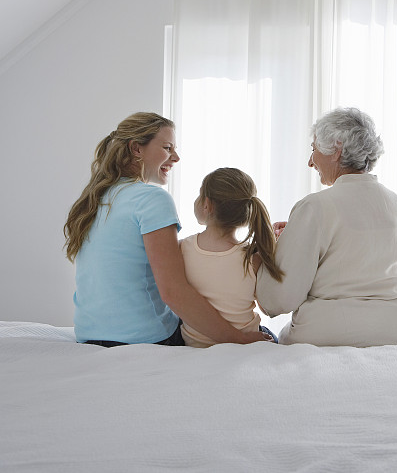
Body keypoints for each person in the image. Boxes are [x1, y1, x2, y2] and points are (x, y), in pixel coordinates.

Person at [64, 112, 268, 347]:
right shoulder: (152, 199)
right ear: (136, 149)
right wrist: (238, 338)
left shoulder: (94, 199)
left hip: (88, 335)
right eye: (168, 148)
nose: (176, 157)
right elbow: (173, 292)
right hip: (144, 338)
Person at [256, 107, 397, 347]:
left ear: (337, 149)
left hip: (330, 332)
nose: (310, 161)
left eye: (313, 149)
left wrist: (269, 251)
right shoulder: (394, 202)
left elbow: (279, 300)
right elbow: (359, 252)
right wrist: (299, 231)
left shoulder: (314, 206)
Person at [180, 167, 282, 347]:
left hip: (195, 344)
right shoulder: (252, 258)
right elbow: (267, 309)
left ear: (207, 205)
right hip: (244, 343)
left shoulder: (181, 249)